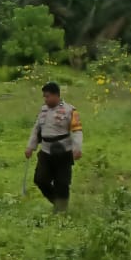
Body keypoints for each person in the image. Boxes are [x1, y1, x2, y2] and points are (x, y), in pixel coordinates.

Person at [26, 82, 83, 214]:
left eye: (48, 96)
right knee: (40, 179)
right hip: (46, 151)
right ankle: (56, 201)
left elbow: (77, 131)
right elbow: (36, 129)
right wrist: (30, 147)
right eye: (44, 97)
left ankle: (62, 210)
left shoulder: (70, 110)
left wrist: (77, 148)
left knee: (62, 183)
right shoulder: (43, 111)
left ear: (57, 95)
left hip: (63, 151)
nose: (46, 99)